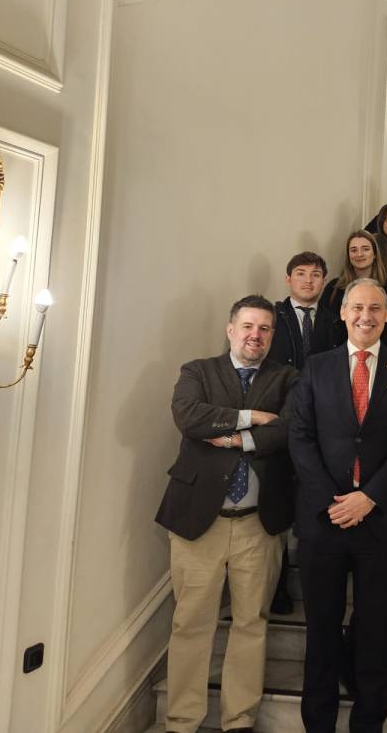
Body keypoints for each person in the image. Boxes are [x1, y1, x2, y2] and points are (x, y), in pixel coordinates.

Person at [288, 279, 387, 733]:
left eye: (376, 308)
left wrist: (369, 497)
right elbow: (300, 437)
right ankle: (319, 723)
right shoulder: (316, 367)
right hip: (323, 521)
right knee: (322, 630)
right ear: (343, 314)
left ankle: (369, 721)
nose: (366, 315)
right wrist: (337, 501)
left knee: (373, 630)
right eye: (358, 307)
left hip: (380, 522)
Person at [156, 295, 299, 733]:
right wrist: (252, 417)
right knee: (190, 623)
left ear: (273, 335)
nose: (256, 336)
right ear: (230, 328)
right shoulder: (197, 371)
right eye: (249, 326)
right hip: (200, 523)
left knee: (251, 623)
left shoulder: (288, 377)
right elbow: (189, 416)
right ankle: (182, 720)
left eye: (265, 329)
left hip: (259, 523)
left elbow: (291, 427)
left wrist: (240, 440)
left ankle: (239, 720)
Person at [266, 251, 332, 615]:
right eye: (302, 274)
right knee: (276, 511)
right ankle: (277, 588)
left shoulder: (336, 320)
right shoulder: (272, 318)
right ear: (289, 279)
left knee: (313, 507)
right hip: (277, 424)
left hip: (323, 428)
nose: (309, 280)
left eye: (316, 274)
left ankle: (315, 585)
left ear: (324, 281)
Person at [316, 232, 387, 349]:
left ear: (375, 254)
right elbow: (322, 327)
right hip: (339, 355)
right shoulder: (333, 288)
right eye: (354, 250)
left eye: (365, 249)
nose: (359, 254)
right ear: (348, 256)